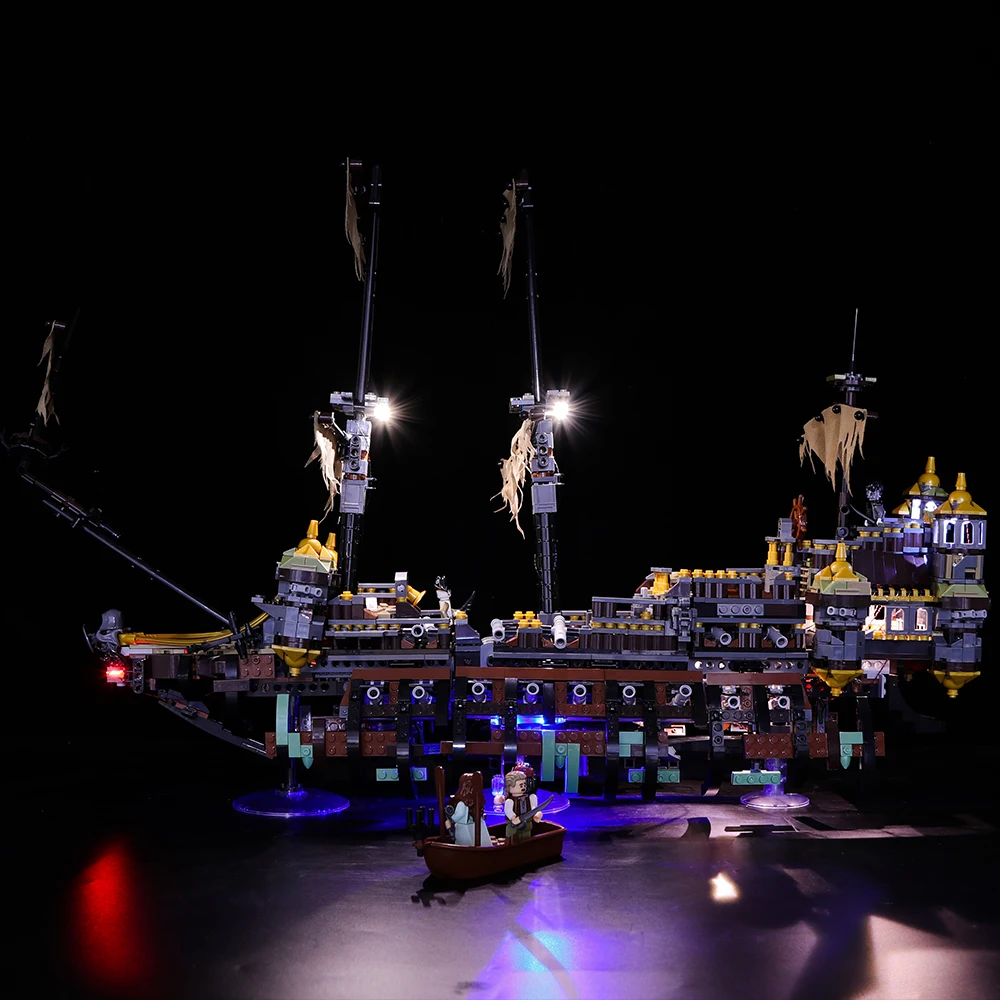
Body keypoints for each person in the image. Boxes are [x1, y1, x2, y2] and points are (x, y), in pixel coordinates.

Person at [445, 773, 494, 847]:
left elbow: (459, 814)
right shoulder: (476, 802)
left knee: (466, 844)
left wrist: (451, 818)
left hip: (464, 828)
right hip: (474, 825)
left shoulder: (462, 803)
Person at [503, 767, 542, 844]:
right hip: (514, 826)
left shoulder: (530, 797)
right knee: (513, 841)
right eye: (520, 785)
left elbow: (534, 808)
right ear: (510, 787)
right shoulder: (510, 801)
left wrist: (536, 814)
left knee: (526, 840)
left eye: (524, 785)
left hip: (527, 824)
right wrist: (513, 817)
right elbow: (508, 810)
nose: (523, 787)